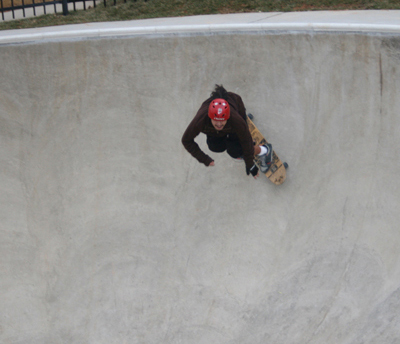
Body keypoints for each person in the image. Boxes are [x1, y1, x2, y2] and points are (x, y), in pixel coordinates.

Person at [181, 85, 273, 179]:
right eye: (215, 120)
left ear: (228, 117)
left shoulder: (236, 120)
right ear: (209, 117)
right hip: (215, 130)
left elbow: (246, 142)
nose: (219, 124)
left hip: (235, 115)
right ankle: (232, 141)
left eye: (222, 120)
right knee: (215, 147)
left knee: (236, 151)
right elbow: (186, 140)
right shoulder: (200, 120)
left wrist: (249, 162)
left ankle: (265, 150)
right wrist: (203, 158)